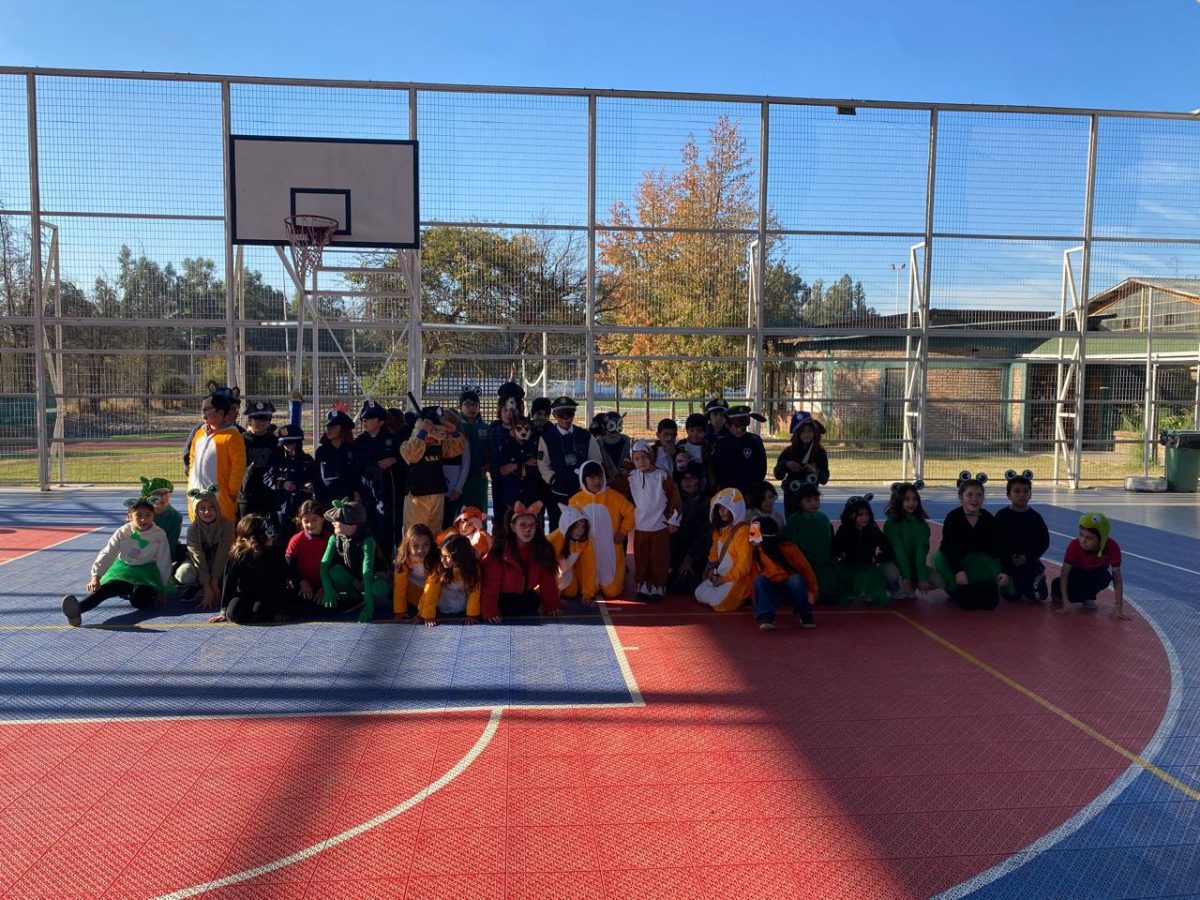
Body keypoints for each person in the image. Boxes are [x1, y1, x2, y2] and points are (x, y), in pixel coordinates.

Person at [61, 497, 173, 626]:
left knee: (140, 599)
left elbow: (164, 560)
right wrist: (95, 576)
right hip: (125, 571)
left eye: (148, 515)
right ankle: (77, 611)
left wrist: (162, 588)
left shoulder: (159, 534)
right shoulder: (123, 532)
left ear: (153, 515)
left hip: (147, 574)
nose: (143, 519)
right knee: (105, 590)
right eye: (138, 515)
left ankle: (135, 593)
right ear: (130, 516)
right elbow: (108, 553)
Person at [933, 472, 1009, 611]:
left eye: (978, 495)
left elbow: (1000, 546)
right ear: (961, 497)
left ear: (983, 498)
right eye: (969, 495)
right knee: (967, 602)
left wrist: (1005, 571)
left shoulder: (988, 519)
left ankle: (978, 587)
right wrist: (958, 571)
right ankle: (957, 588)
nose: (974, 499)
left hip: (978, 563)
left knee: (991, 603)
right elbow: (950, 548)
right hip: (954, 561)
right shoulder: (953, 518)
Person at [481, 502, 565, 623]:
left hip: (525, 596)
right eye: (523, 525)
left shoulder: (541, 550)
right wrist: (490, 611)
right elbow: (490, 585)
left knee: (533, 602)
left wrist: (552, 605)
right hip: (501, 599)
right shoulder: (499, 552)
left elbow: (548, 581)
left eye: (532, 525)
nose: (528, 529)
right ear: (513, 527)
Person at [569, 459, 636, 600]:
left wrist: (623, 531)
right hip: (586, 549)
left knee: (612, 592)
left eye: (599, 476)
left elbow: (630, 512)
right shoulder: (575, 500)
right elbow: (568, 524)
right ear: (584, 479)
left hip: (610, 548)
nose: (597, 481)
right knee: (587, 590)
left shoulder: (614, 497)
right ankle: (590, 585)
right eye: (592, 477)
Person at [208, 514, 290, 625]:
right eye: (267, 535)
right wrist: (223, 610)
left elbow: (280, 582)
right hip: (244, 594)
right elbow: (229, 582)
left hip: (267, 594)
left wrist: (280, 609)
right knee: (233, 615)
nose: (272, 538)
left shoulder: (275, 553)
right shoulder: (237, 555)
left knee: (259, 614)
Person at [627, 440, 682, 602]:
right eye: (637, 459)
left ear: (650, 456)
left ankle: (659, 586)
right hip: (641, 527)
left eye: (644, 457)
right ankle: (643, 585)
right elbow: (614, 486)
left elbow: (674, 498)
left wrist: (674, 520)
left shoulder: (662, 476)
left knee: (659, 558)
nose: (641, 462)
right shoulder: (631, 477)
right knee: (641, 557)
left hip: (660, 526)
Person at [537, 395, 602, 532]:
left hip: (582, 491)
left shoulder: (585, 436)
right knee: (558, 529)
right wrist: (553, 479)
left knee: (584, 528)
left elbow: (595, 460)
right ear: (554, 415)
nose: (566, 418)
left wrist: (588, 481)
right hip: (558, 493)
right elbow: (543, 464)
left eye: (570, 414)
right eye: (561, 415)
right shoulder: (547, 438)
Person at [319, 499, 389, 623]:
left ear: (351, 524)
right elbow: (324, 566)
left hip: (373, 577)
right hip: (355, 577)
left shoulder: (367, 541)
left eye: (337, 520)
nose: (333, 523)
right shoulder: (334, 539)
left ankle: (375, 599)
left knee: (380, 588)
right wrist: (327, 588)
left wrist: (369, 605)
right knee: (335, 572)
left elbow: (367, 571)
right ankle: (355, 598)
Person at [399, 405, 466, 535]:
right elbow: (411, 455)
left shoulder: (438, 445)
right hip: (418, 495)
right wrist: (422, 434)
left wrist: (453, 432)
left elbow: (456, 449)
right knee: (416, 533)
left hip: (437, 493)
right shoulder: (409, 444)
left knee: (435, 533)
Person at [186, 389, 246, 523]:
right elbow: (192, 459)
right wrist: (191, 482)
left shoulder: (233, 436)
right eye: (202, 411)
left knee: (222, 529)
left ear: (221, 413)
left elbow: (238, 466)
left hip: (221, 497)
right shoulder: (199, 433)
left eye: (208, 411)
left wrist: (232, 491)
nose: (203, 415)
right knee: (198, 529)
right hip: (196, 495)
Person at [1054, 512, 1129, 619]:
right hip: (1075, 577)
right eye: (1081, 535)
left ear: (1101, 539)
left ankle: (1088, 596)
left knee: (1105, 577)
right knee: (1062, 591)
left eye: (1089, 538)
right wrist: (1065, 601)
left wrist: (1118, 605)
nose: (1083, 541)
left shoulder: (1112, 547)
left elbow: (1116, 577)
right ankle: (1062, 594)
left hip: (1093, 574)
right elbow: (1064, 574)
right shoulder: (1074, 545)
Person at [353, 400, 402, 560]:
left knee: (385, 524)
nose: (365, 422)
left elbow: (405, 458)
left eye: (369, 418)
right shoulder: (360, 441)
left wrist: (394, 460)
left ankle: (387, 560)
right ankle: (371, 561)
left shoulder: (391, 439)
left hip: (386, 489)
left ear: (380, 421)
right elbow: (356, 468)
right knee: (368, 524)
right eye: (364, 419)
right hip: (366, 488)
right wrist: (356, 492)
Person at [750, 517, 818, 631]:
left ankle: (804, 613)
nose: (751, 537)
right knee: (759, 580)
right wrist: (755, 599)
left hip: (792, 591)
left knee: (796, 580)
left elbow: (806, 570)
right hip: (772, 592)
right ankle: (766, 616)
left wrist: (813, 591)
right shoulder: (757, 552)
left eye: (753, 532)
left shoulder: (789, 548)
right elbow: (754, 575)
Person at [995, 469, 1050, 602]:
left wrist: (1027, 557)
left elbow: (1043, 542)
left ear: (1030, 495)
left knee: (1039, 596)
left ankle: (1037, 574)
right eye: (1017, 491)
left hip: (1028, 562)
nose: (1022, 495)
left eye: (1026, 491)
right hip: (1006, 563)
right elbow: (996, 542)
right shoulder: (1001, 516)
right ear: (1008, 495)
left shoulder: (1035, 518)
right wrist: (1008, 559)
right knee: (1012, 596)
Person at [176, 484, 234, 611]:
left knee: (233, 570)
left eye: (211, 507)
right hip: (200, 564)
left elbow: (223, 553)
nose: (207, 512)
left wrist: (214, 581)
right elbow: (197, 556)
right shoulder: (193, 530)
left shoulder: (227, 525)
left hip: (220, 563)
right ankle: (197, 585)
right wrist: (207, 587)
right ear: (196, 510)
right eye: (202, 508)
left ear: (217, 507)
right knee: (185, 574)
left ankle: (219, 583)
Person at [695, 487, 753, 612]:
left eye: (726, 507)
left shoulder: (744, 531)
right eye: (720, 508)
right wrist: (712, 570)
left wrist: (725, 579)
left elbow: (744, 565)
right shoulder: (722, 530)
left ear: (736, 508)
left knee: (719, 604)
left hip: (736, 579)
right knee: (698, 593)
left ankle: (744, 595)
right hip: (721, 577)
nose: (722, 511)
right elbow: (714, 554)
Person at [783, 482, 842, 605]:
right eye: (808, 501)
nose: (813, 504)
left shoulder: (823, 518)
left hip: (824, 562)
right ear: (800, 502)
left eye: (816, 499)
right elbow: (791, 545)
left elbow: (829, 540)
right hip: (804, 563)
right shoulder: (794, 521)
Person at [831, 494, 894, 605]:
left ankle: (871, 590)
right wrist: (841, 554)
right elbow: (834, 547)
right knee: (840, 596)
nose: (864, 518)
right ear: (850, 515)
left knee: (880, 598)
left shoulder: (872, 530)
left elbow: (887, 547)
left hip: (868, 568)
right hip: (849, 568)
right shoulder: (844, 530)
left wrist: (877, 558)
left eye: (867, 514)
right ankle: (852, 592)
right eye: (860, 515)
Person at [883, 480, 940, 600]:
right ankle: (894, 587)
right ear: (899, 501)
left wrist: (922, 578)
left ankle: (909, 587)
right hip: (896, 563)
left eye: (914, 499)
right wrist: (906, 576)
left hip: (913, 565)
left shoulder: (922, 525)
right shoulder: (891, 524)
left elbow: (921, 552)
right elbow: (899, 550)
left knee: (938, 581)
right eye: (907, 499)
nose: (911, 503)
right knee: (892, 574)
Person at [490, 414, 541, 537]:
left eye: (527, 428)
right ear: (512, 432)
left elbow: (538, 471)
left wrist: (516, 467)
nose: (523, 431)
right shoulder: (504, 448)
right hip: (509, 501)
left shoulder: (535, 448)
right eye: (519, 428)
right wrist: (525, 466)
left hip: (530, 500)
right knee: (507, 536)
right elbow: (498, 472)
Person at [418, 533, 482, 626]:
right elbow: (430, 591)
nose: (442, 559)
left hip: (462, 609)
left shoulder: (472, 569)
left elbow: (474, 592)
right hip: (442, 609)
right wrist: (427, 615)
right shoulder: (439, 568)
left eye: (447, 556)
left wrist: (472, 615)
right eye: (441, 555)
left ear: (459, 556)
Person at [667, 461, 712, 596]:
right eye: (684, 478)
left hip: (699, 555)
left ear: (699, 481)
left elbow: (705, 536)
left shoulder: (708, 503)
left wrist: (690, 559)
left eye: (692, 478)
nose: (688, 482)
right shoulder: (673, 501)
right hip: (678, 554)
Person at [775, 411, 830, 516]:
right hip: (792, 497)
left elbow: (824, 479)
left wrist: (816, 471)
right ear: (797, 433)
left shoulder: (820, 452)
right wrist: (786, 464)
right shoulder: (788, 451)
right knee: (792, 523)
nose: (806, 434)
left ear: (814, 432)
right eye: (803, 432)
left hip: (810, 499)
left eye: (809, 431)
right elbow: (778, 475)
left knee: (809, 523)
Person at [270, 424, 318, 542]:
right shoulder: (276, 460)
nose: (288, 447)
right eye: (286, 444)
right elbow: (268, 479)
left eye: (291, 444)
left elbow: (316, 478)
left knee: (303, 538)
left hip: (302, 507)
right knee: (282, 540)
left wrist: (310, 485)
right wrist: (283, 484)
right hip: (282, 507)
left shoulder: (307, 460)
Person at [237, 400, 281, 521]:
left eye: (265, 420)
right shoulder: (241, 440)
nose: (261, 423)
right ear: (250, 421)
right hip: (246, 494)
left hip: (268, 493)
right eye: (257, 420)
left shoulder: (274, 441)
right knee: (245, 528)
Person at [284, 499, 331, 612]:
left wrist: (325, 587)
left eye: (314, 520)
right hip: (302, 584)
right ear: (300, 521)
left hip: (324, 584)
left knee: (327, 607)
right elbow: (290, 566)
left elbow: (334, 565)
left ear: (322, 519)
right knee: (301, 607)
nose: (310, 525)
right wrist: (302, 582)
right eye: (306, 521)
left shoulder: (330, 539)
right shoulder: (296, 540)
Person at [712, 405, 767, 496]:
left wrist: (755, 487)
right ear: (728, 425)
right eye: (737, 426)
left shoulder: (754, 441)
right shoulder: (719, 442)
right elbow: (715, 467)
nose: (740, 430)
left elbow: (761, 467)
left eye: (744, 427)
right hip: (726, 491)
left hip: (749, 491)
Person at [548, 505, 597, 604]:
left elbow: (590, 566)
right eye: (575, 526)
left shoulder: (586, 540)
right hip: (551, 574)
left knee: (572, 592)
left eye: (583, 527)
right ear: (567, 525)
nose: (580, 531)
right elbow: (545, 567)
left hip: (566, 572)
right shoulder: (555, 539)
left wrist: (588, 594)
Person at [457, 387, 492, 518]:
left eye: (474, 404)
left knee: (479, 515)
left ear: (479, 407)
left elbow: (492, 450)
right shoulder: (455, 428)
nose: (471, 408)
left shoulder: (486, 428)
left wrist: (488, 464)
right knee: (460, 516)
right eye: (467, 404)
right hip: (459, 481)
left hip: (479, 479)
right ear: (460, 407)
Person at [314, 408, 361, 505]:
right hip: (326, 497)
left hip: (347, 497)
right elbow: (317, 476)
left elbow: (356, 473)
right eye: (328, 427)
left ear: (343, 429)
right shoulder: (321, 451)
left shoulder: (352, 450)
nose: (329, 430)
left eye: (333, 427)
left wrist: (356, 493)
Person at [393, 523, 438, 619]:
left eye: (425, 545)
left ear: (431, 544)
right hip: (413, 592)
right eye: (416, 546)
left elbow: (432, 586)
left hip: (432, 594)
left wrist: (427, 614)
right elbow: (400, 586)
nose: (420, 550)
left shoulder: (434, 559)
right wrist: (400, 611)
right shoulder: (404, 560)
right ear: (408, 546)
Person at [140, 476, 185, 567]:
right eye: (158, 494)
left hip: (162, 555)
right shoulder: (139, 513)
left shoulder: (175, 517)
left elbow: (170, 545)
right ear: (148, 497)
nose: (163, 497)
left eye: (166, 493)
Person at [440, 409, 472, 529]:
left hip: (453, 489)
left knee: (450, 520)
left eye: (450, 423)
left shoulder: (462, 440)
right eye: (444, 423)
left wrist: (458, 488)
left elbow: (465, 464)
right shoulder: (437, 439)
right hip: (437, 489)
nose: (447, 427)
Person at [679, 412, 717, 492]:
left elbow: (710, 470)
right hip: (683, 486)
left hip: (702, 487)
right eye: (692, 431)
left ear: (705, 432)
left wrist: (712, 486)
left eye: (699, 431)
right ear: (687, 430)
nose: (695, 435)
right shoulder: (681, 446)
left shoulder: (708, 448)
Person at [594, 411, 633, 491]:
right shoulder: (597, 444)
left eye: (619, 425)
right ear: (604, 426)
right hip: (604, 487)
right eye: (611, 426)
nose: (615, 430)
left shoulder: (628, 443)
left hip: (625, 486)